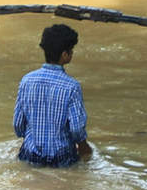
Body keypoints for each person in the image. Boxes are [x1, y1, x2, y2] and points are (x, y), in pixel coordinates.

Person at [13, 24, 91, 167]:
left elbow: (18, 125)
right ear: (65, 55)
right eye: (71, 50)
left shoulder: (26, 80)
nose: (72, 53)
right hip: (61, 159)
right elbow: (77, 129)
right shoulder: (72, 86)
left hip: (30, 156)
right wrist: (85, 149)